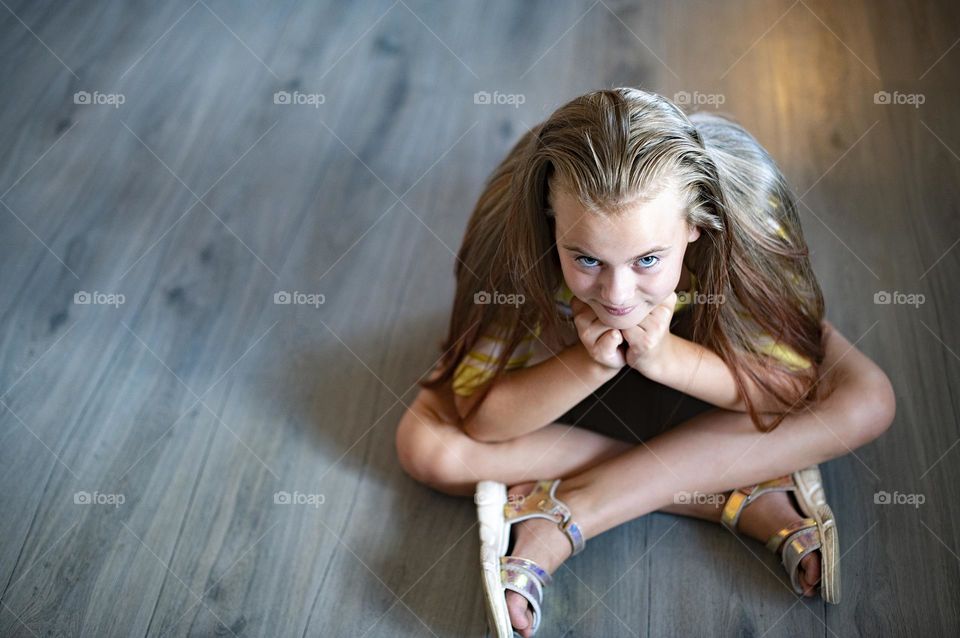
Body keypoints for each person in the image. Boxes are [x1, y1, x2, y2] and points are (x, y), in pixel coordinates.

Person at [394, 87, 895, 637]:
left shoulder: (749, 214)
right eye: (585, 259)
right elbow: (481, 421)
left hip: (720, 368)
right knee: (424, 446)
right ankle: (736, 487)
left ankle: (567, 509)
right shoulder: (512, 238)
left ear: (695, 226)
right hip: (573, 389)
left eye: (648, 260)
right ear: (548, 220)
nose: (617, 295)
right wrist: (590, 364)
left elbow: (787, 389)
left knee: (868, 400)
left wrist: (666, 358)